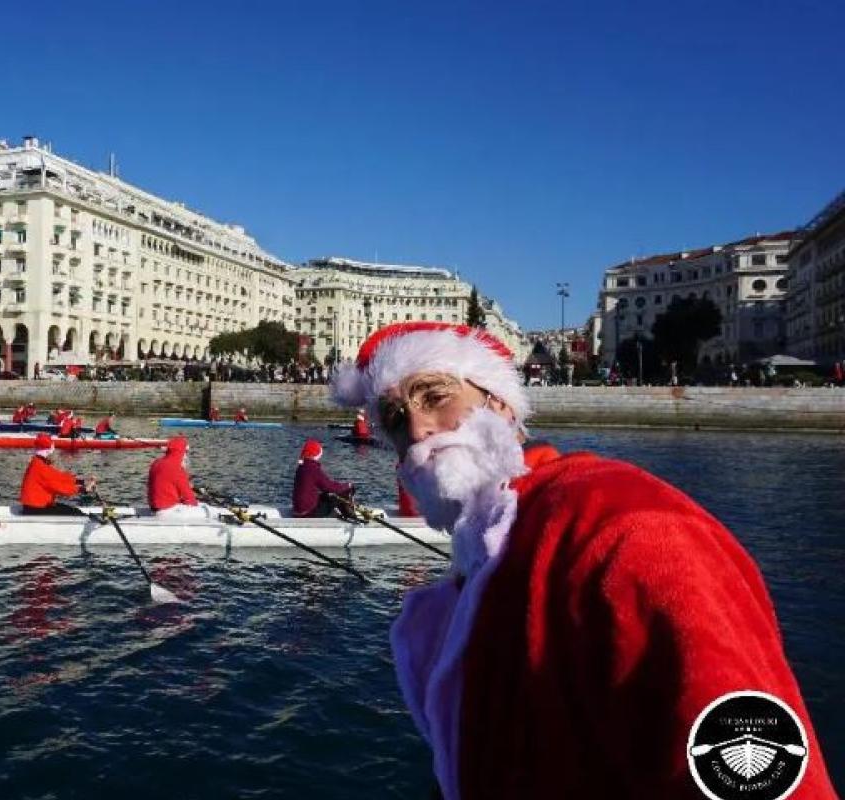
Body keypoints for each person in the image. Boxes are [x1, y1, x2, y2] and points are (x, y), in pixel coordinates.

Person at [331, 320, 835, 798]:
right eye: (396, 420)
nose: (418, 430)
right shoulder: (491, 546)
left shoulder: (622, 525)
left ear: (501, 406)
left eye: (437, 398)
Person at [19, 433, 94, 515]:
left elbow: (59, 477)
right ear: (48, 452)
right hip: (35, 509)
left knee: (74, 511)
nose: (54, 454)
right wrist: (82, 489)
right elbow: (59, 487)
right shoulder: (41, 467)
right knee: (76, 513)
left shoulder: (38, 462)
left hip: (36, 506)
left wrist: (81, 481)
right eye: (53, 452)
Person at [147, 435, 214, 518]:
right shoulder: (176, 467)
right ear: (181, 451)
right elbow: (189, 498)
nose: (186, 455)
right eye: (185, 452)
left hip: (154, 509)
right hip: (167, 512)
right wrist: (194, 502)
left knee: (201, 505)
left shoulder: (156, 462)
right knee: (209, 511)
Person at [291, 439, 354, 518]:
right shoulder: (313, 468)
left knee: (328, 495)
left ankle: (345, 513)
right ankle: (350, 516)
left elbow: (325, 487)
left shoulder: (302, 466)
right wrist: (348, 485)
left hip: (298, 510)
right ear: (316, 453)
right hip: (308, 513)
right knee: (344, 491)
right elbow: (329, 486)